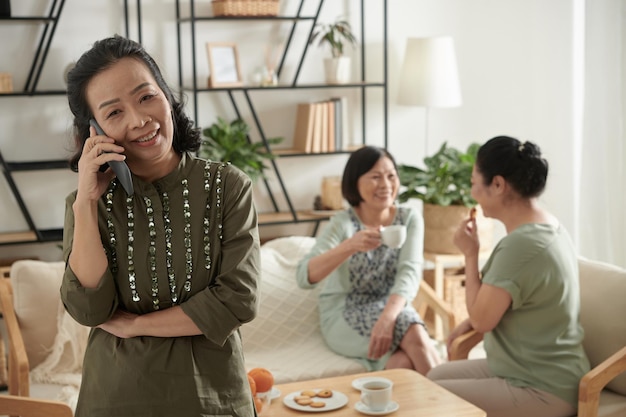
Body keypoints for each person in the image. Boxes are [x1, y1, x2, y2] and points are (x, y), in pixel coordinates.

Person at [61, 35, 260, 417]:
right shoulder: (86, 204)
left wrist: (138, 325)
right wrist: (86, 204)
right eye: (114, 112)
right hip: (116, 399)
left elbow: (238, 300)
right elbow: (89, 310)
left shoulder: (228, 186)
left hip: (214, 401)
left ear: (166, 95)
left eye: (146, 96)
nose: (139, 120)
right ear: (94, 131)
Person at [427, 136, 590, 417]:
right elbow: (502, 304)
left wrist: (469, 254)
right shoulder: (549, 225)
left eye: (474, 181)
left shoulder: (521, 245)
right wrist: (470, 321)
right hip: (529, 369)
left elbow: (482, 319)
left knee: (431, 397)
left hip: (542, 387)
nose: (471, 191)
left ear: (498, 185)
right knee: (433, 377)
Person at [296, 146, 442, 375]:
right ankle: (455, 405)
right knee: (414, 334)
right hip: (344, 313)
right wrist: (350, 246)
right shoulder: (342, 223)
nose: (386, 185)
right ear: (355, 182)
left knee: (403, 362)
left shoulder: (409, 218)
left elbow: (410, 272)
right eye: (375, 177)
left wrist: (387, 318)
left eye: (391, 176)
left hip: (391, 308)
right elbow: (304, 276)